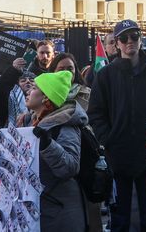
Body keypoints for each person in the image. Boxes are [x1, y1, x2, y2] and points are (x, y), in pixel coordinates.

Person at [88, 19, 146, 232]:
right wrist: (108, 140)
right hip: (118, 156)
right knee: (119, 218)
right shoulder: (106, 75)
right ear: (116, 43)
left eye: (134, 36)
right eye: (124, 38)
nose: (130, 42)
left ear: (140, 39)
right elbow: (96, 113)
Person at [27, 70, 88, 231]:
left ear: (46, 97)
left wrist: (47, 144)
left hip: (60, 212)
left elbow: (70, 167)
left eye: (34, 88)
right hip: (40, 209)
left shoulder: (66, 125)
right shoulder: (29, 120)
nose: (28, 91)